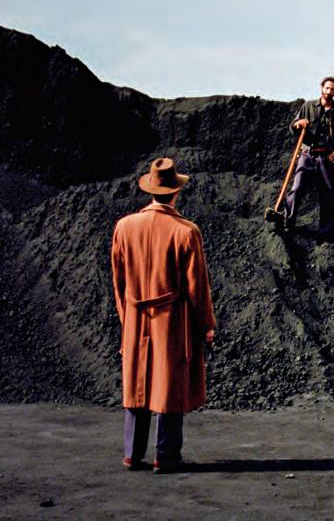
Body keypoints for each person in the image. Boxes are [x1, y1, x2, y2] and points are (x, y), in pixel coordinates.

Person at [111, 157, 216, 473]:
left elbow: (118, 281)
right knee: (168, 382)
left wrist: (127, 317)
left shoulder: (124, 227)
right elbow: (197, 286)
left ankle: (132, 453)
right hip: (170, 319)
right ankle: (165, 455)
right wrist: (206, 325)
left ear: (150, 190)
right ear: (175, 192)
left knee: (137, 381)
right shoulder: (186, 232)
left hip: (135, 315)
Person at [283, 75, 334, 239]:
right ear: (322, 88)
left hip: (326, 159)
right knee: (297, 188)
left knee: (329, 193)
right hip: (307, 155)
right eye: (327, 88)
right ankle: (287, 224)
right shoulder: (308, 106)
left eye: (332, 89)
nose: (329, 91)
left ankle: (326, 233)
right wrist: (298, 124)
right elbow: (293, 126)